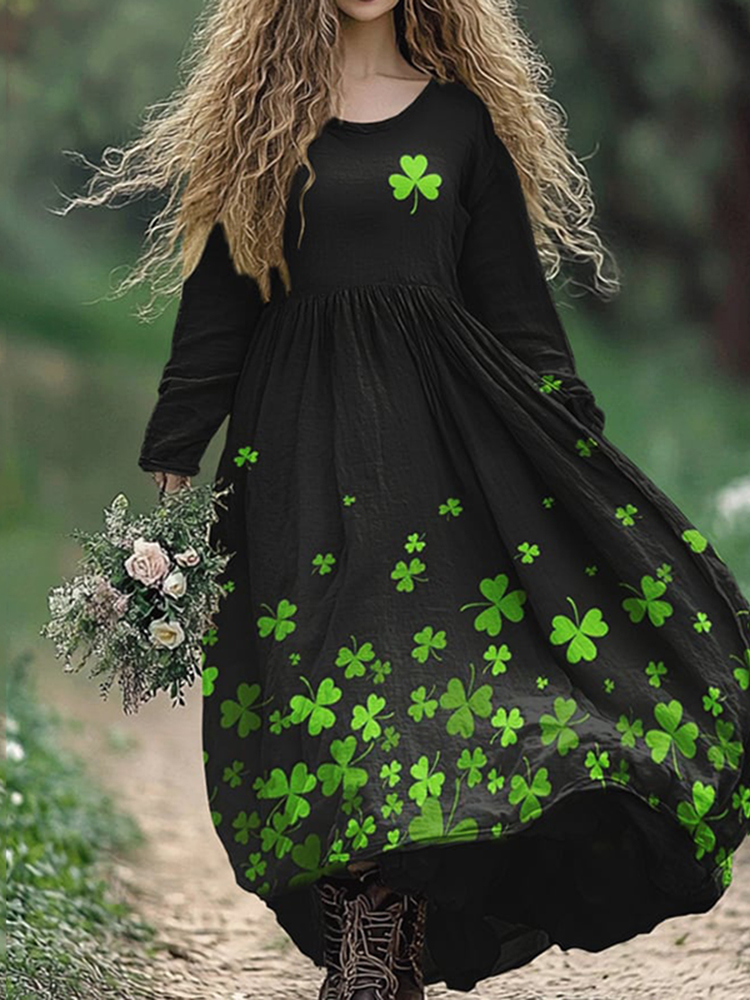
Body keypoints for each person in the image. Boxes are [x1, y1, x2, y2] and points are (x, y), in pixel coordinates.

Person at [59, 2, 750, 998]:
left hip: (437, 453)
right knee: (320, 687)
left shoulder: (460, 123)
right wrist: (176, 445)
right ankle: (371, 928)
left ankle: (380, 938)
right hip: (293, 448)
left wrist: (572, 444)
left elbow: (513, 305)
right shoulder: (262, 121)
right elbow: (222, 301)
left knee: (415, 688)